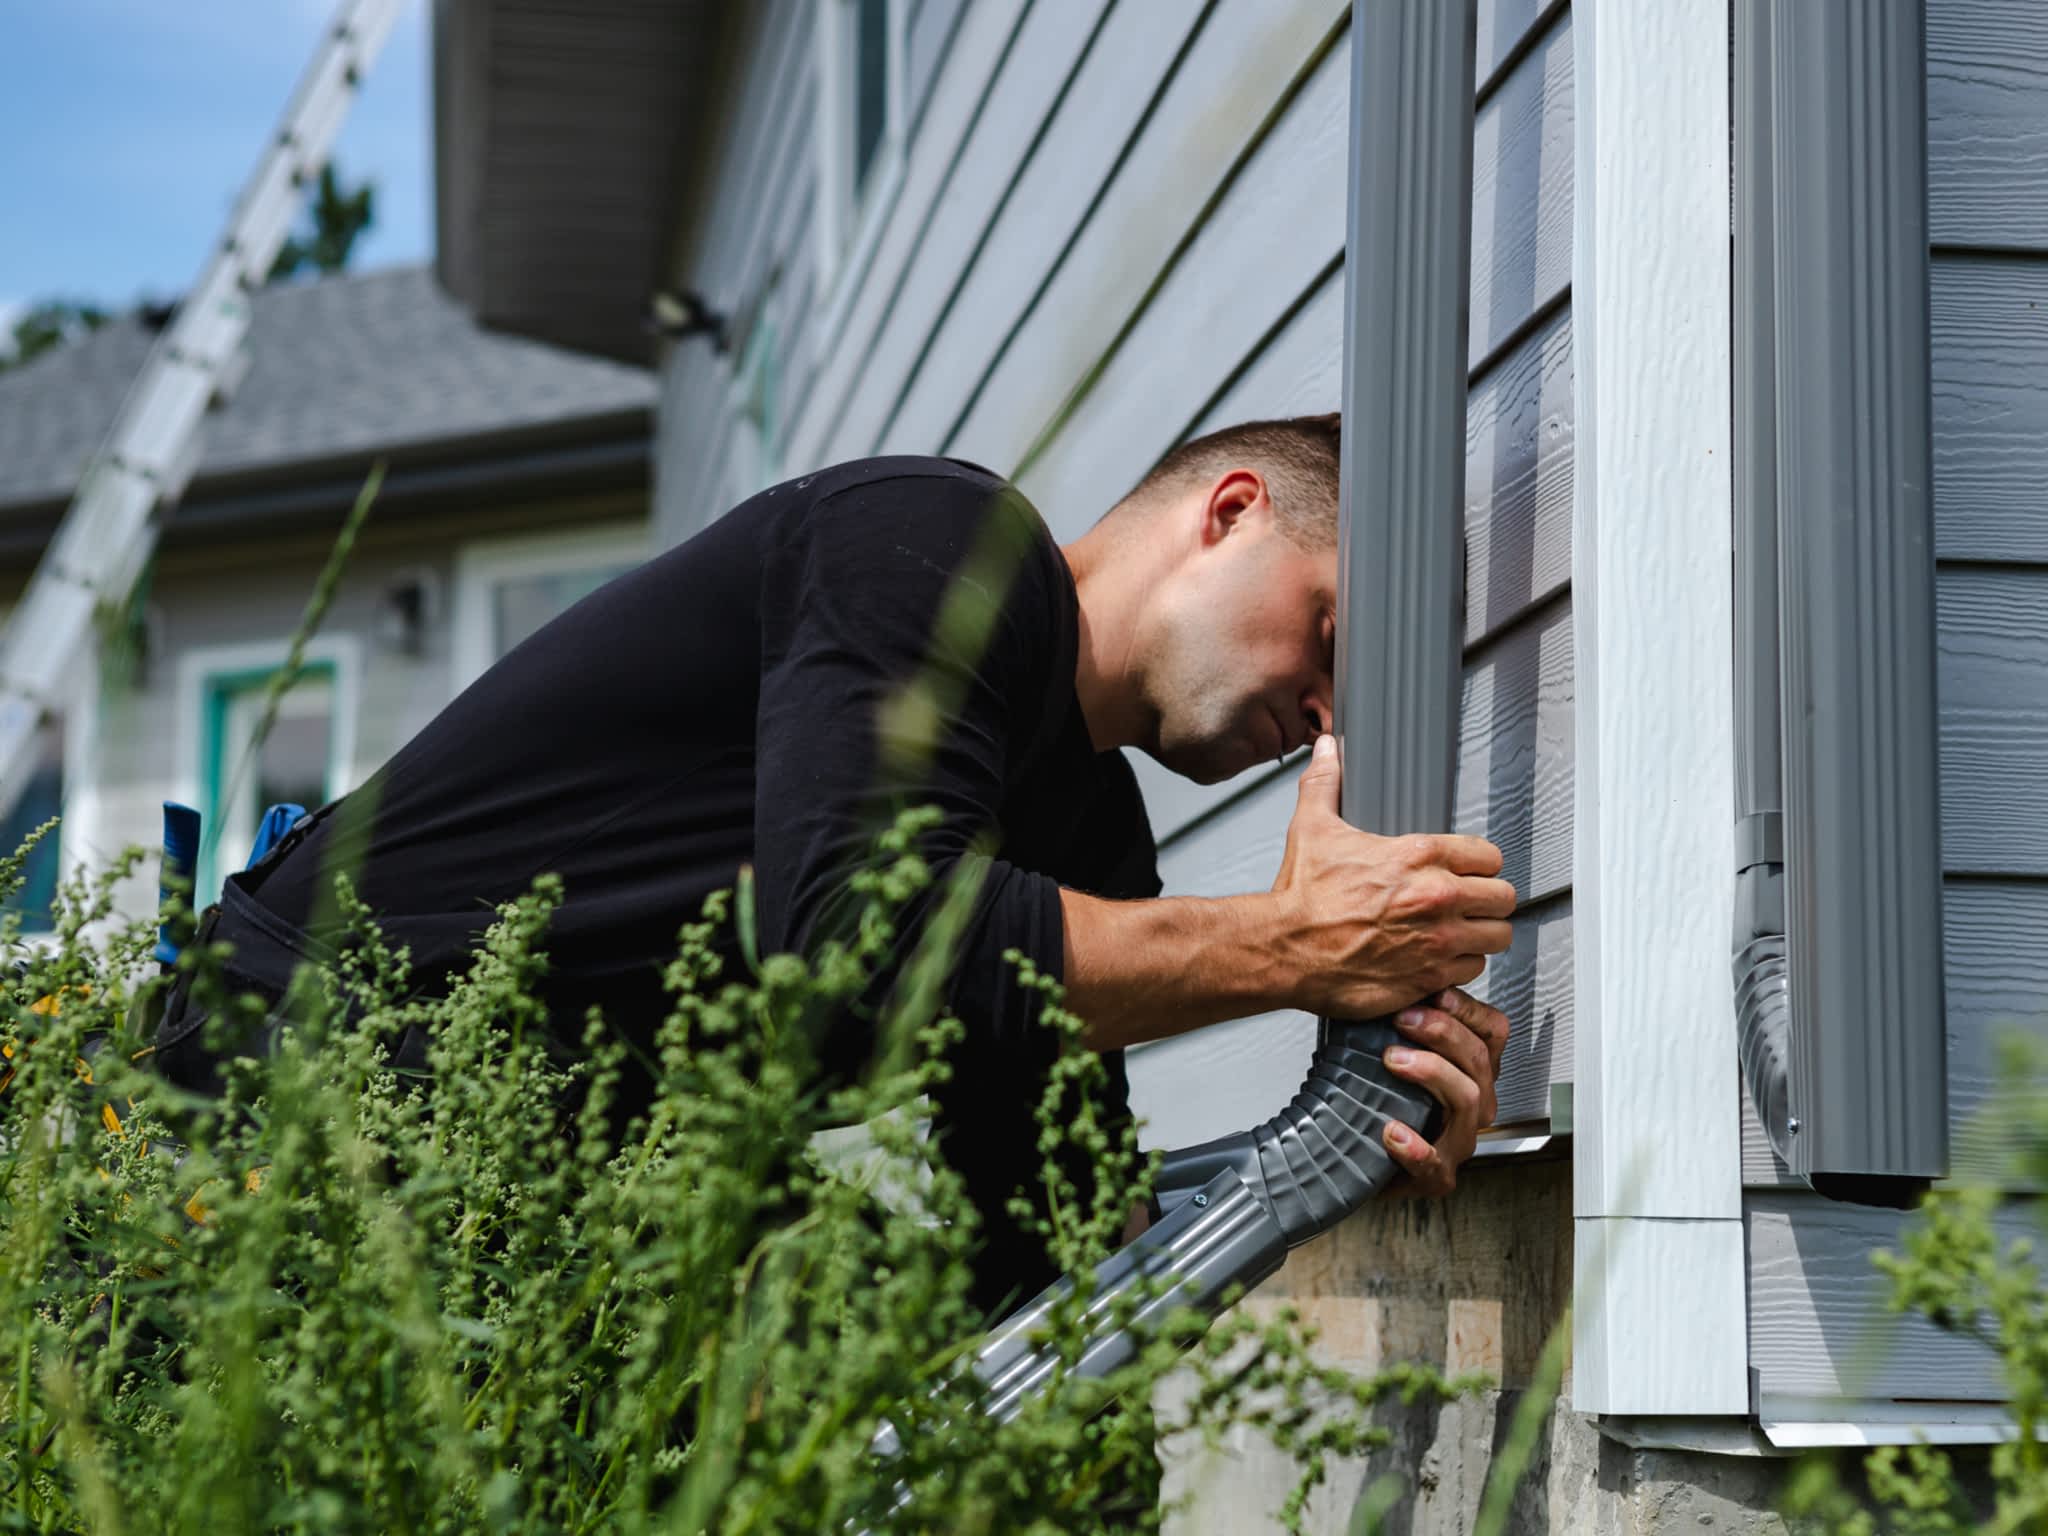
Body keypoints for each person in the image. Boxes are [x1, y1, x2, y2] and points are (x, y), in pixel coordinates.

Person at [152, 413, 1515, 1313]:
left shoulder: (1089, 840)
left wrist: (1361, 1140)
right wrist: (1292, 947)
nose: (1326, 717)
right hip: (304, 1080)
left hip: (545, 1193)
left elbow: (1048, 1234)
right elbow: (863, 933)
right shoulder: (930, 545)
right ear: (1231, 511)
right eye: (1330, 638)